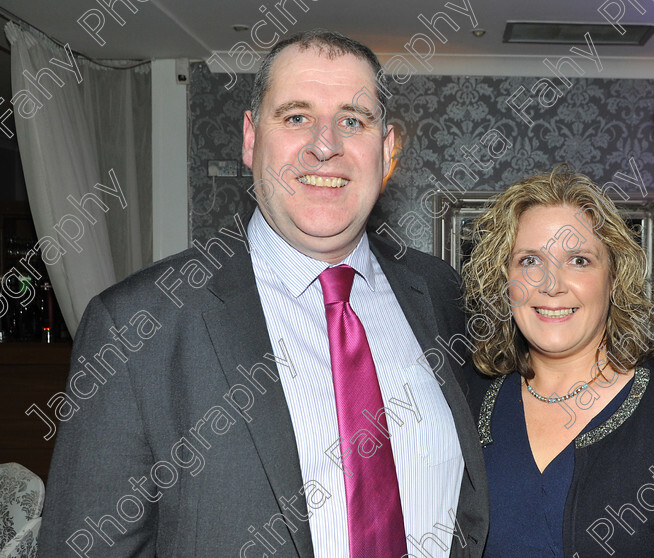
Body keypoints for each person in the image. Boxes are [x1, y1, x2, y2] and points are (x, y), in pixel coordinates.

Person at [38, 30, 488, 557]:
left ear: (386, 149)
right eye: (296, 117)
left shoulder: (442, 296)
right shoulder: (140, 326)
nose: (326, 144)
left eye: (353, 121)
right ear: (251, 139)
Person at [461, 165, 654, 557]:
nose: (551, 284)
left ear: (614, 278)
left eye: (579, 260)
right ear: (505, 281)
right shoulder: (466, 404)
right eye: (529, 261)